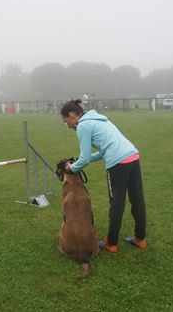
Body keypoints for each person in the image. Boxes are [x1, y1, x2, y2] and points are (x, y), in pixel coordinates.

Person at [60, 99, 147, 253]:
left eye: (65, 121)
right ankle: (140, 239)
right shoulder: (98, 119)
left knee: (116, 203)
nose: (67, 125)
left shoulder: (83, 126)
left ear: (72, 115)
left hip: (118, 163)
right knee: (137, 199)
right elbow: (103, 151)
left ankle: (111, 243)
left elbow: (84, 158)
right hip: (133, 156)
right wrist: (80, 162)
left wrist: (71, 167)